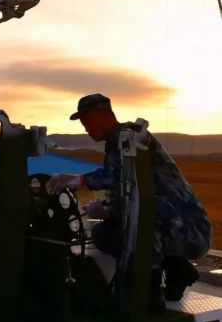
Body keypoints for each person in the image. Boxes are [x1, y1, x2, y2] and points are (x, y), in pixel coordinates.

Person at [50, 93, 211, 307]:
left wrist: (79, 180)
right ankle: (176, 267)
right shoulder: (119, 142)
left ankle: (150, 292)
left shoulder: (126, 138)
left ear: (105, 115)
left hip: (188, 230)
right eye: (82, 122)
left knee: (124, 228)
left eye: (88, 119)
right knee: (105, 232)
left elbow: (121, 178)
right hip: (180, 230)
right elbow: (129, 191)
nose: (85, 127)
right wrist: (106, 209)